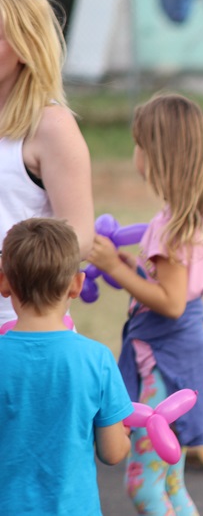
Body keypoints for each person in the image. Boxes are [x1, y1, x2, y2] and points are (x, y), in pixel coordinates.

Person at [87, 92, 203, 515]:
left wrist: (114, 265)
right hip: (180, 359)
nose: (134, 153)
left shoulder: (172, 226)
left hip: (166, 365)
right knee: (171, 482)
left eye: (138, 143)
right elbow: (170, 287)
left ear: (155, 154)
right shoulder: (183, 217)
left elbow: (172, 302)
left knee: (144, 488)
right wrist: (134, 270)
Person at [0, 217, 133, 516]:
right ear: (77, 284)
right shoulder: (96, 359)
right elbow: (112, 453)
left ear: (4, 282)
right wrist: (125, 434)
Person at [0, 0, 94, 323]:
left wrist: (12, 262)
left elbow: (79, 238)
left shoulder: (51, 126)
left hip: (20, 327)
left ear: (26, 47)